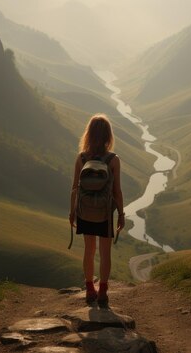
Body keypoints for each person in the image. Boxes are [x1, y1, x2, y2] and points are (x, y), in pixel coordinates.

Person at [69, 114, 125, 305]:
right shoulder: (113, 160)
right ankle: (102, 291)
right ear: (108, 136)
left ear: (89, 134)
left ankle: (89, 289)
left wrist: (72, 212)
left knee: (89, 250)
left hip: (85, 212)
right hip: (105, 214)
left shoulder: (81, 158)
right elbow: (117, 191)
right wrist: (121, 215)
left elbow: (75, 188)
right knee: (105, 252)